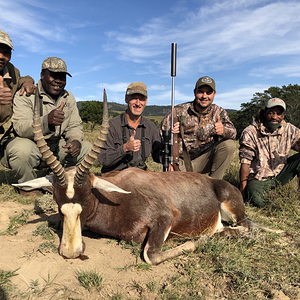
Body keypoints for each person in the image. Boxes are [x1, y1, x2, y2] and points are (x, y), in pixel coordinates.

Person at [1, 57, 92, 196]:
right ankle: (29, 187)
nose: (58, 81)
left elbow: (74, 125)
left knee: (87, 149)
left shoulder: (69, 97)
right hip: (31, 145)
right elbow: (20, 127)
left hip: (55, 146)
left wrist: (75, 140)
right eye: (53, 75)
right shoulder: (26, 94)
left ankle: (63, 182)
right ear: (42, 75)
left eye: (62, 77)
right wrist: (45, 121)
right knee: (21, 150)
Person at [161, 76, 236, 179]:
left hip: (205, 161)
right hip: (181, 164)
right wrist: (169, 159)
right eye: (201, 92)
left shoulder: (219, 112)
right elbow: (160, 138)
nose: (204, 96)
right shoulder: (177, 111)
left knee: (229, 145)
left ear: (214, 94)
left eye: (208, 93)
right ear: (194, 92)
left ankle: (214, 185)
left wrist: (223, 131)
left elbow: (234, 133)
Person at [239, 98, 300, 207]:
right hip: (258, 179)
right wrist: (242, 190)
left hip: (280, 174)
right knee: (258, 202)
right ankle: (269, 197)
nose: (275, 117)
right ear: (264, 113)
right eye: (271, 113)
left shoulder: (289, 129)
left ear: (283, 115)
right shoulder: (251, 132)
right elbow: (245, 161)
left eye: (279, 114)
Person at [98, 81, 163, 173]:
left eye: (141, 99)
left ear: (146, 101)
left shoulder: (150, 127)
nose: (138, 103)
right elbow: (103, 159)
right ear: (126, 99)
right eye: (134, 98)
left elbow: (158, 155)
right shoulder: (111, 125)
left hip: (140, 174)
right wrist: (124, 148)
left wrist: (171, 143)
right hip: (115, 174)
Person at [0, 30, 35, 134]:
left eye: (6, 52)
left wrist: (27, 82)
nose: (1, 56)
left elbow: (21, 79)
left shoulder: (11, 70)